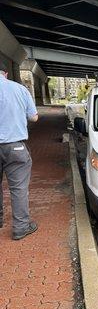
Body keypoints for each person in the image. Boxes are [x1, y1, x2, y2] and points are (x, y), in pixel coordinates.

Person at [0, 62, 38, 240]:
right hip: (15, 146)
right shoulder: (20, 89)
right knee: (18, 188)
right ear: (5, 73)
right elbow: (34, 117)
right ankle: (21, 227)